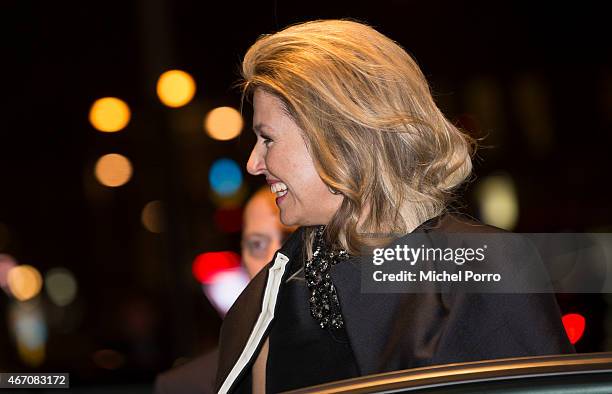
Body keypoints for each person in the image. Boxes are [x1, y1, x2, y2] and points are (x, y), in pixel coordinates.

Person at [215, 19, 575, 394]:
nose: (254, 163)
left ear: (338, 137)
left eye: (267, 138)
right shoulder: (275, 294)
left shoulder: (481, 264)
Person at [153, 188, 294, 394]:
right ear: (243, 259)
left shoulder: (351, 363)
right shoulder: (186, 386)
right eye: (257, 244)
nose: (273, 260)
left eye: (291, 242)